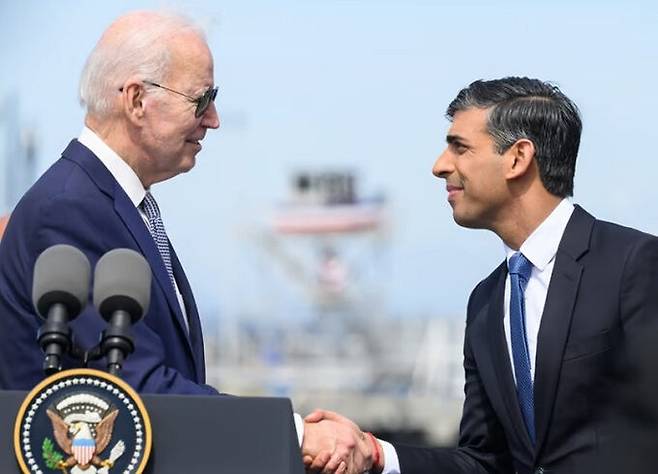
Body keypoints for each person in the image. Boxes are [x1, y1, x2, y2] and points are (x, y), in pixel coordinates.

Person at [0, 11, 372, 470]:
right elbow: (131, 384)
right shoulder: (71, 208)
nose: (213, 119)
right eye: (202, 99)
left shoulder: (113, 203)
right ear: (136, 100)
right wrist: (296, 434)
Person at [304, 77, 658, 474]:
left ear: (518, 158)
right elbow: (485, 462)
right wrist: (376, 454)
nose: (440, 166)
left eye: (460, 147)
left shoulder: (636, 264)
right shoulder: (487, 301)